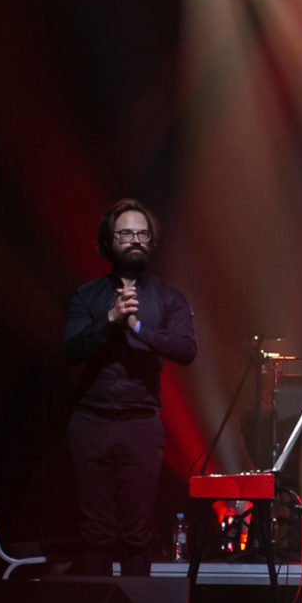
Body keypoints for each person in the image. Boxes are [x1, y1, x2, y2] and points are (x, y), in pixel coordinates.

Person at [60, 199, 198, 576]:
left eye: (142, 234)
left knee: (138, 535)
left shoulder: (169, 298)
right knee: (95, 535)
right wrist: (110, 319)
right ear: (108, 241)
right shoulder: (87, 295)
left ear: (151, 242)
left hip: (141, 423)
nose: (135, 240)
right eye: (126, 233)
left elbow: (186, 350)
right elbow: (70, 351)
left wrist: (137, 327)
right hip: (91, 422)